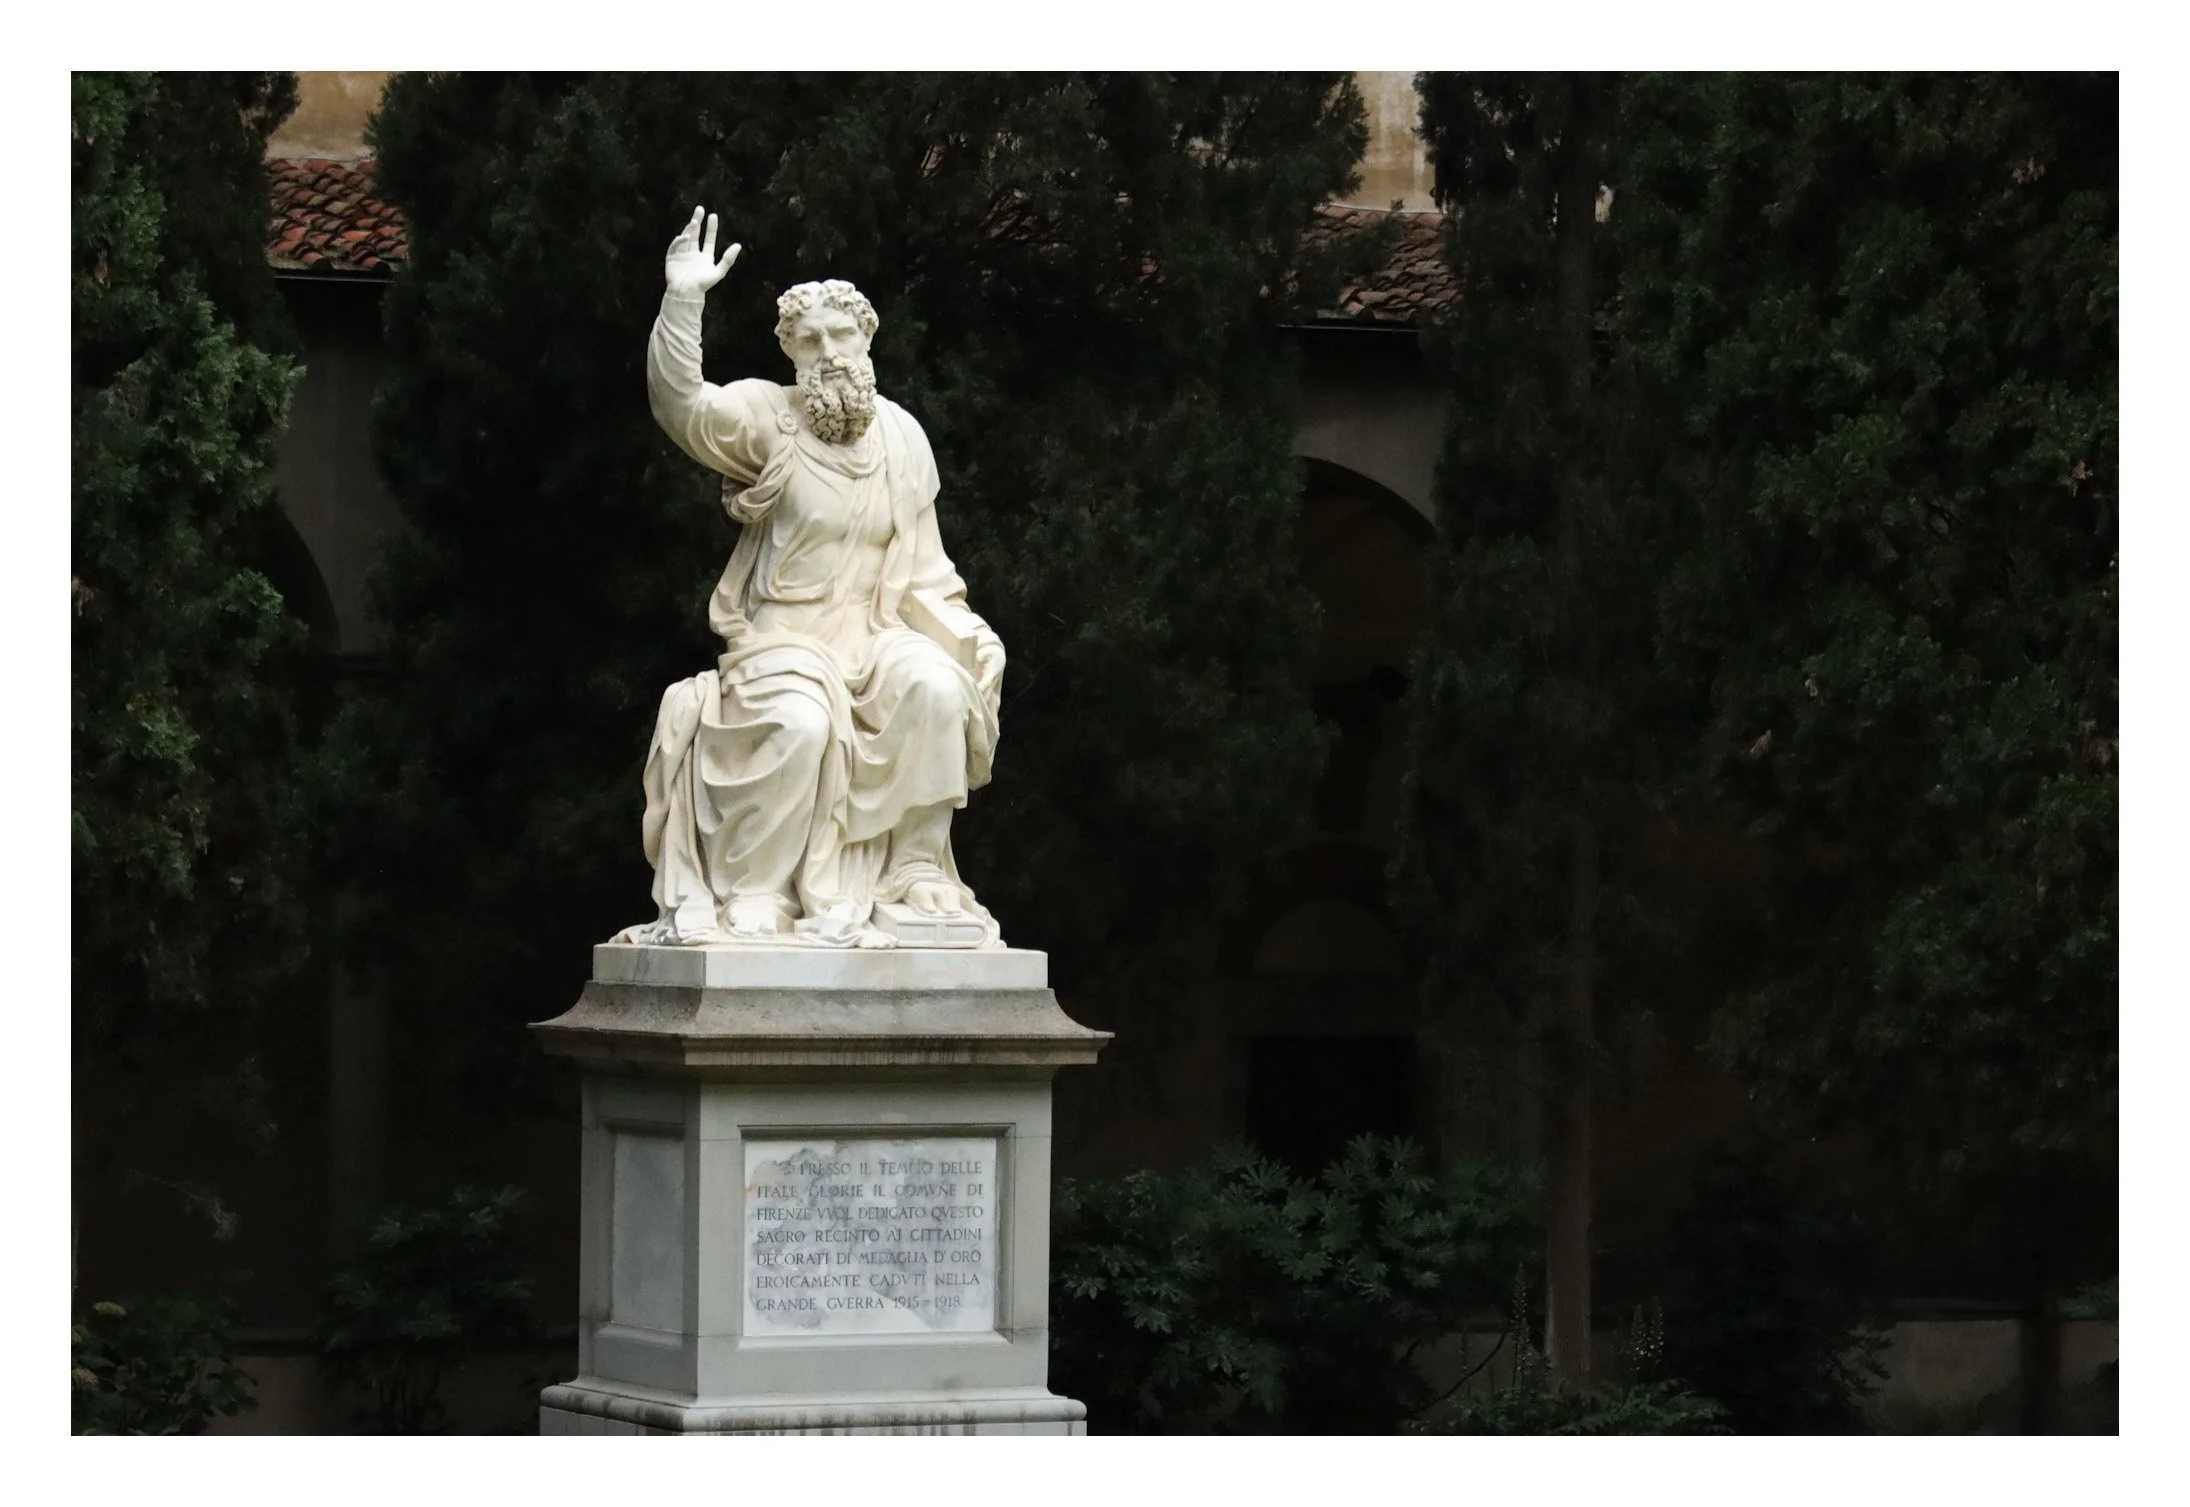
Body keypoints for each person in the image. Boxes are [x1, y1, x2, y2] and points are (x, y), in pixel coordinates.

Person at [615, 207, 1005, 948]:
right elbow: (684, 407)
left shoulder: (903, 438)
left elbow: (926, 571)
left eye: (841, 335)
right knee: (802, 724)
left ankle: (914, 870)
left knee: (937, 685)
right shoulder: (769, 419)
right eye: (810, 340)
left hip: (876, 635)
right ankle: (758, 887)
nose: (829, 352)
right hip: (783, 642)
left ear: (867, 340)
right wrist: (683, 302)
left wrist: (968, 632)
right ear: (791, 352)